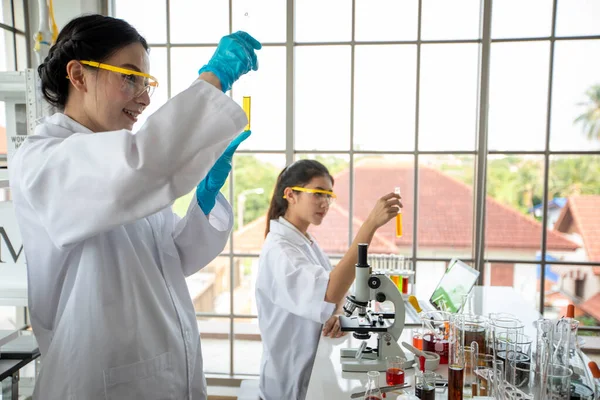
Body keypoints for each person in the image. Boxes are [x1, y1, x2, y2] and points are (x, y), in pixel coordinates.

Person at [9, 14, 260, 399]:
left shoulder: (118, 163)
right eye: (129, 78)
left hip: (161, 369)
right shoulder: (44, 157)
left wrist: (205, 201)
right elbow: (142, 163)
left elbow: (169, 258)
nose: (143, 97)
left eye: (146, 83)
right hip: (99, 379)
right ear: (77, 75)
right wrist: (213, 80)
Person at [255, 159, 402, 400]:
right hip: (290, 381)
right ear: (290, 195)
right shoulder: (281, 251)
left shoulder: (304, 242)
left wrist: (337, 315)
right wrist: (370, 226)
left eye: (329, 196)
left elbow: (333, 292)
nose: (325, 203)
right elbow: (328, 293)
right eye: (318, 194)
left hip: (312, 367)